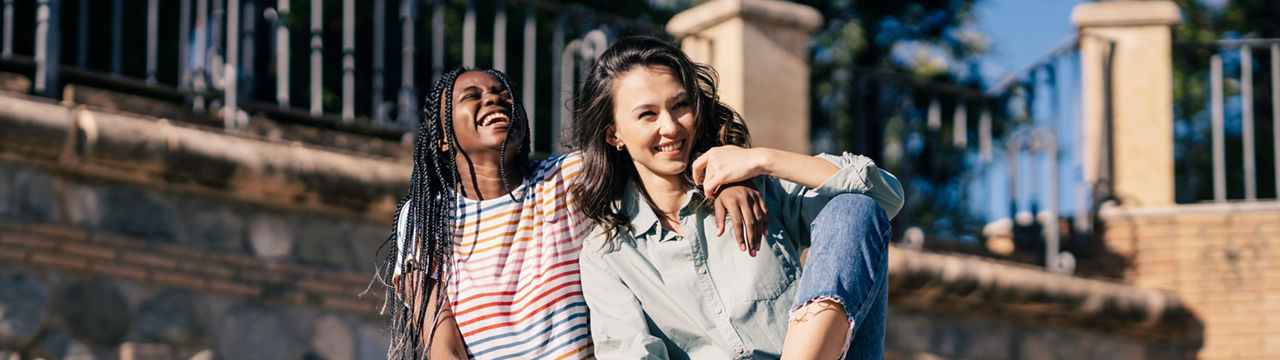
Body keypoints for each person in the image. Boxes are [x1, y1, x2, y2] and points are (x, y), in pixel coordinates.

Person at [379, 67, 769, 360]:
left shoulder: (566, 179)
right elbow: (438, 335)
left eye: (503, 93)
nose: (495, 99)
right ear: (443, 139)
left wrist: (728, 179)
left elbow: (662, 150)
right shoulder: (425, 216)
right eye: (472, 96)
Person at [571, 36, 905, 359]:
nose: (671, 127)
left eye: (680, 105)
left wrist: (763, 159)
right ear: (614, 134)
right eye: (648, 115)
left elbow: (884, 197)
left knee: (853, 209)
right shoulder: (608, 254)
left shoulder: (757, 189)